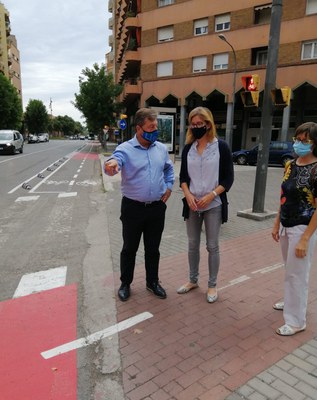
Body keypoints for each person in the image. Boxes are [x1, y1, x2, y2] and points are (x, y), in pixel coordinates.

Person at [104, 108, 175, 301]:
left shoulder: (160, 149)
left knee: (153, 249)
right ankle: (125, 283)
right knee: (129, 248)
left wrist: (169, 186)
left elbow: (169, 169)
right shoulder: (125, 148)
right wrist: (110, 166)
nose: (155, 130)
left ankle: (152, 282)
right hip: (132, 209)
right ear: (138, 128)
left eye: (156, 127)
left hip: (156, 208)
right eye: (151, 127)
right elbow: (114, 161)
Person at [177, 106, 234, 303]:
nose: (195, 127)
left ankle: (212, 285)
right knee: (193, 244)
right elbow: (183, 177)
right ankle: (193, 280)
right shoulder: (188, 149)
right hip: (192, 204)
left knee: (212, 245)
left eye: (199, 124)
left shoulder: (221, 147)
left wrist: (211, 195)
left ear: (208, 124)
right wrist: (188, 195)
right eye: (193, 125)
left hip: (213, 204)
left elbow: (228, 179)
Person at [272, 122, 317, 336]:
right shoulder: (291, 164)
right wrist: (276, 223)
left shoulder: (316, 168)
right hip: (286, 223)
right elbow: (283, 196)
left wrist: (306, 239)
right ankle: (291, 302)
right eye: (297, 139)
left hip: (303, 226)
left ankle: (296, 321)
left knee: (297, 274)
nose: (299, 143)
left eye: (305, 140)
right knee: (289, 269)